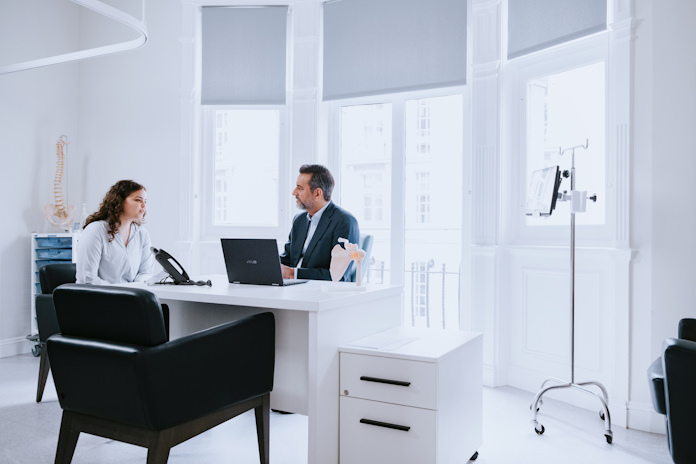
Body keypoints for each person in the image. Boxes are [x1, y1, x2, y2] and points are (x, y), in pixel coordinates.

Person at [280, 165, 360, 281]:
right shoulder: (299, 220)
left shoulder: (344, 221)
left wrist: (293, 273)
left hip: (321, 293)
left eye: (300, 188)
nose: (294, 192)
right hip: (293, 289)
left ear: (317, 193)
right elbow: (287, 259)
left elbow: (339, 276)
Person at [76, 180, 155, 285]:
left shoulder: (142, 234)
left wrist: (135, 289)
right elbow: (87, 280)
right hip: (100, 296)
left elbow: (146, 272)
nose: (144, 206)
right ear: (119, 201)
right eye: (138, 200)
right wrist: (122, 292)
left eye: (145, 201)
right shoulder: (95, 230)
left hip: (130, 296)